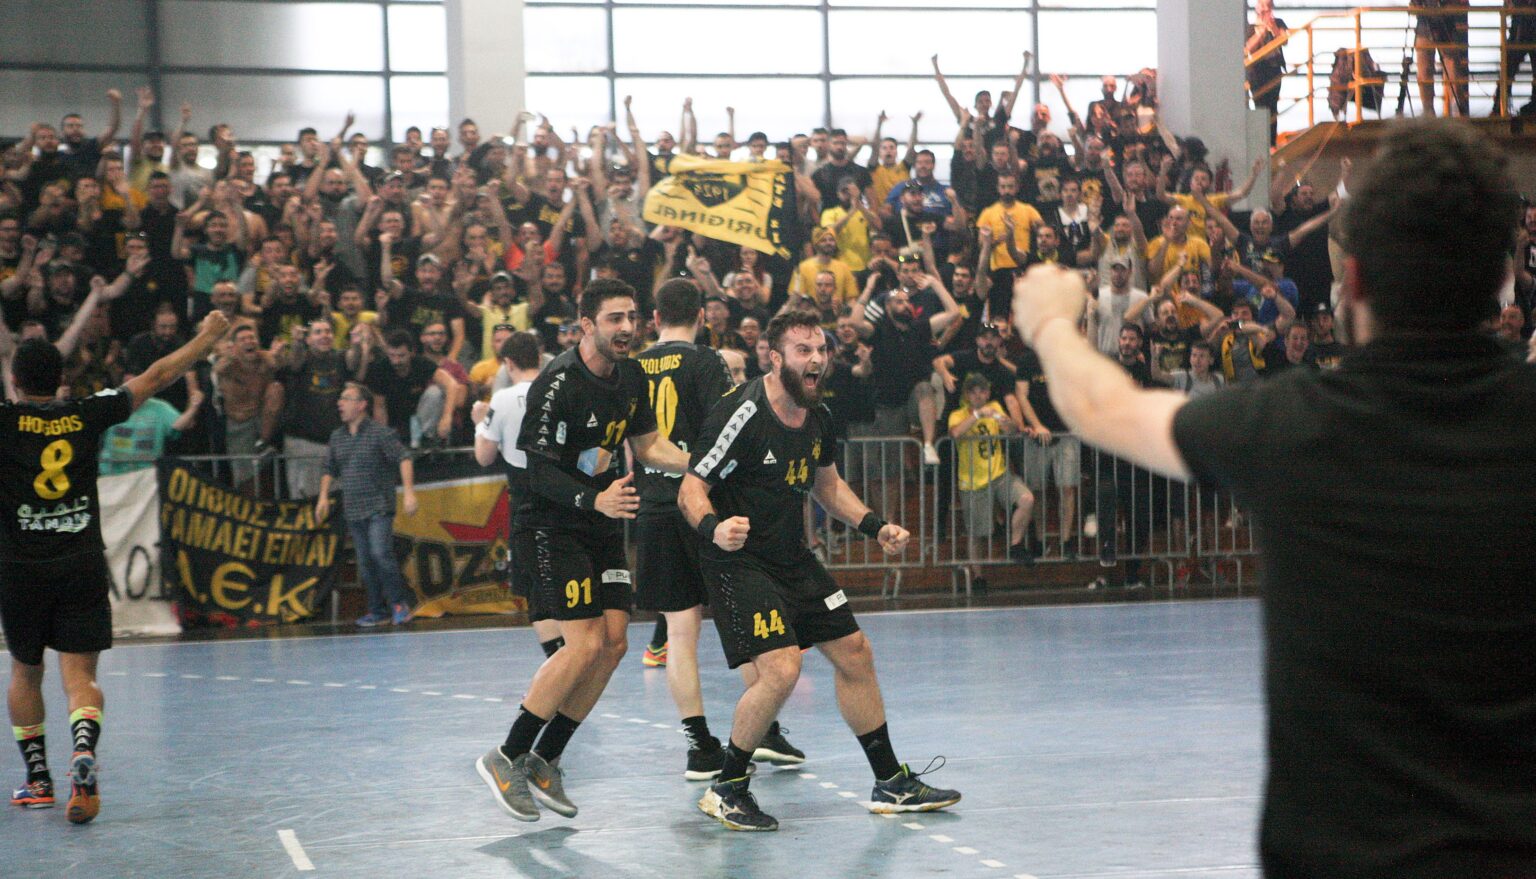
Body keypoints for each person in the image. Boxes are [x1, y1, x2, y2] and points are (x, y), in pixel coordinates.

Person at [1012, 120, 1536, 877]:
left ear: (1353, 281)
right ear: (1502, 277)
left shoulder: (1291, 425)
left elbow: (1102, 408)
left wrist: (1050, 322)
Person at [678, 309, 961, 832]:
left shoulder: (818, 417)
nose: (816, 360)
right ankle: (727, 788)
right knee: (782, 669)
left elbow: (826, 486)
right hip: (737, 560)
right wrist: (714, 527)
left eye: (821, 350)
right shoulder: (741, 412)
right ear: (775, 357)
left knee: (855, 652)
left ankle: (890, 782)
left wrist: (875, 526)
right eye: (803, 350)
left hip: (791, 556)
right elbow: (691, 488)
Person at [474, 279, 691, 823]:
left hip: (601, 521)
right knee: (584, 643)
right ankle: (506, 755)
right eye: (615, 318)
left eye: (632, 317)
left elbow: (649, 445)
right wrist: (595, 499)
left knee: (614, 643)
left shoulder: (632, 376)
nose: (627, 327)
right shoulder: (556, 384)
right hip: (552, 523)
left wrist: (700, 464)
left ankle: (545, 757)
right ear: (587, 325)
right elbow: (537, 471)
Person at [5, 310, 230, 822]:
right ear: (61, 379)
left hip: (21, 566)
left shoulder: (5, 422)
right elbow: (157, 375)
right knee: (80, 674)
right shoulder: (87, 412)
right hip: (80, 561)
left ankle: (38, 780)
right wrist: (207, 337)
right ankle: (83, 749)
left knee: (25, 671)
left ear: (15, 381)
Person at [633, 278, 804, 779]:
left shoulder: (634, 366)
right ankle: (764, 730)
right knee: (738, 620)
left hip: (654, 507)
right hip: (702, 504)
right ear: (702, 317)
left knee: (679, 634)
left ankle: (698, 747)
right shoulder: (706, 361)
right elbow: (728, 427)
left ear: (655, 318)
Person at [471, 332, 565, 658]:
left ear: (507, 363)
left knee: (536, 584)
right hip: (565, 496)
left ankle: (559, 658)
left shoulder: (503, 399)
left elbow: (484, 456)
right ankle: (573, 653)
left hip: (527, 501)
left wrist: (480, 424)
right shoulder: (560, 391)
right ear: (539, 358)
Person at [315, 383, 418, 627]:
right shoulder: (337, 437)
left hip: (378, 505)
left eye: (346, 398)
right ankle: (377, 610)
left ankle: (399, 604)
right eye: (340, 398)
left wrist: (409, 492)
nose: (340, 403)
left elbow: (404, 458)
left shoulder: (380, 433)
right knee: (365, 562)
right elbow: (329, 468)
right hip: (353, 508)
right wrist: (322, 497)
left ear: (361, 405)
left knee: (380, 553)